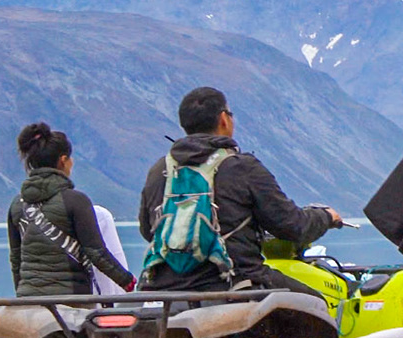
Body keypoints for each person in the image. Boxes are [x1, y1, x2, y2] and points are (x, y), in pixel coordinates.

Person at [138, 86, 342, 293]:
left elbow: (148, 230)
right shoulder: (243, 167)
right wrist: (326, 216)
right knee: (317, 303)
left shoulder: (159, 170)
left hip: (164, 289)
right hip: (234, 283)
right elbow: (292, 225)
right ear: (224, 119)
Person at [7, 122, 135, 338]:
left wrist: (24, 295)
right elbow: (97, 253)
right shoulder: (75, 201)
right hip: (72, 304)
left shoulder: (16, 205)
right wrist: (128, 283)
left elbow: (16, 260)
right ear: (63, 160)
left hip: (31, 307)